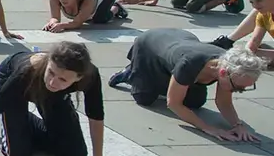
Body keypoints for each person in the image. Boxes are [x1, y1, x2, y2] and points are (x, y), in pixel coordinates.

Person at [0, 41, 120, 156]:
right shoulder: (25, 72)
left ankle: (22, 122)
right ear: (48, 63)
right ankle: (11, 117)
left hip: (55, 96)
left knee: (75, 155)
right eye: (51, 73)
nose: (53, 82)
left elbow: (96, 118)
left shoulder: (90, 77)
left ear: (78, 78)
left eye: (63, 80)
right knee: (18, 154)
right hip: (17, 84)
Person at [108, 28, 263, 141]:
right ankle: (132, 72)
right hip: (149, 46)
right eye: (238, 87)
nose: (239, 91)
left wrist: (237, 125)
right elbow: (173, 104)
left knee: (195, 103)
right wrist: (207, 128)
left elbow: (223, 102)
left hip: (180, 39)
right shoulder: (190, 63)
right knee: (144, 98)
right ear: (223, 73)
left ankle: (169, 79)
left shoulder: (227, 67)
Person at [213, 0, 274, 68]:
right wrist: (245, 56)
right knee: (243, 53)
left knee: (248, 56)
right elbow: (254, 41)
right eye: (252, 2)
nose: (255, 6)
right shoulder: (262, 15)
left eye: (259, 0)